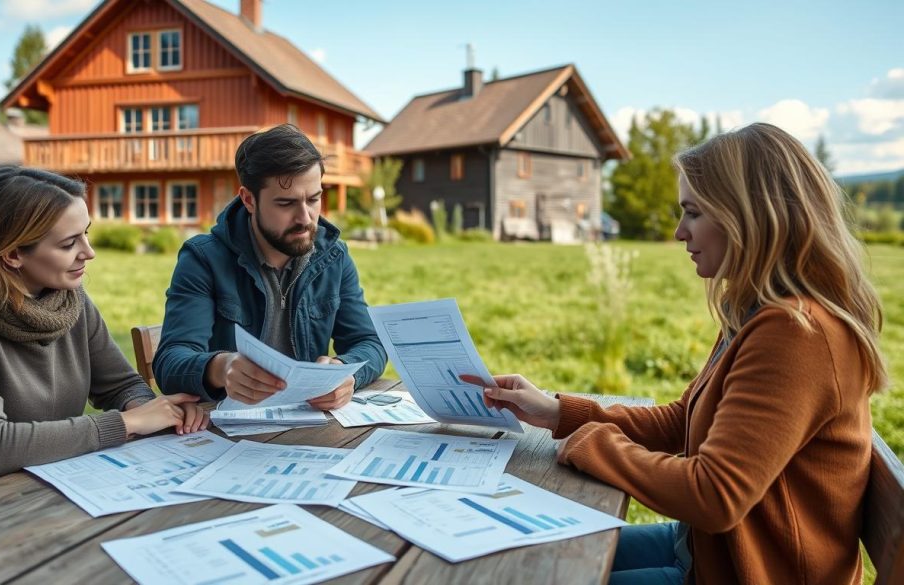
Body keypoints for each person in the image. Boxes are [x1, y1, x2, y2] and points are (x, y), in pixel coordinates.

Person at [465, 123, 887, 584]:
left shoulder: (795, 334)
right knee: (517, 557)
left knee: (528, 576)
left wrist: (593, 443)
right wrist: (557, 412)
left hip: (750, 572)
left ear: (748, 215)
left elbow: (715, 495)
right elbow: (681, 421)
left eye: (693, 212)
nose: (679, 231)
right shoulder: (755, 312)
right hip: (708, 553)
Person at [0, 166, 207, 519]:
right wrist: (128, 424)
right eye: (69, 243)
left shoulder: (70, 303)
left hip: (33, 500)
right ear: (12, 254)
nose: (89, 252)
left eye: (86, 234)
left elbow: (121, 385)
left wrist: (159, 412)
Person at [153, 124, 386, 409]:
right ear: (249, 199)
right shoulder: (203, 259)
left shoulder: (333, 257)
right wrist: (220, 367)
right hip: (225, 435)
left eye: (314, 199)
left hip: (309, 428)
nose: (305, 218)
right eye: (286, 204)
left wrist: (345, 371)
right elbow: (169, 363)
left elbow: (370, 344)